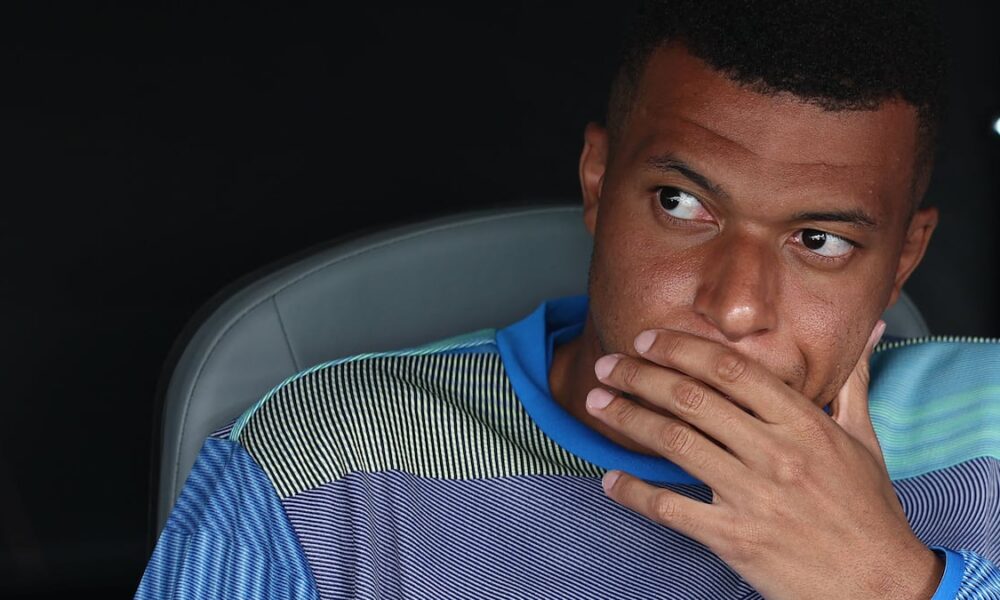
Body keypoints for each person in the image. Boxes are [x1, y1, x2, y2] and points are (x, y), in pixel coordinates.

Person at [135, 1, 1000, 598]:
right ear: (597, 179)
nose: (736, 306)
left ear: (903, 257)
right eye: (681, 203)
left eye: (819, 240)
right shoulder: (327, 461)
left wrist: (893, 586)